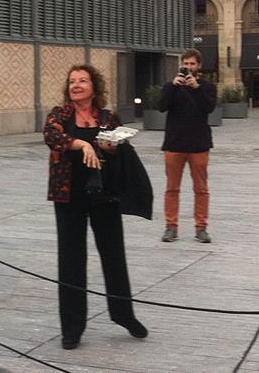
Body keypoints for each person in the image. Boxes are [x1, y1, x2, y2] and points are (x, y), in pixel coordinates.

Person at [43, 64, 150, 350]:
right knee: (71, 261)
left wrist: (112, 148)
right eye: (72, 81)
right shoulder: (60, 115)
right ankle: (72, 328)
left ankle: (123, 315)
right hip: (69, 196)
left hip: (103, 194)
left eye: (82, 80)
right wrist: (81, 144)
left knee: (114, 255)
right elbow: (51, 137)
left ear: (94, 86)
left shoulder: (107, 117)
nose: (76, 85)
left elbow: (118, 153)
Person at [157, 48, 217, 243]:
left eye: (192, 64)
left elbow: (208, 108)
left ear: (199, 66)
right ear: (181, 65)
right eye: (185, 64)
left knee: (201, 188)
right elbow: (161, 106)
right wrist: (174, 87)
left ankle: (201, 228)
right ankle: (171, 227)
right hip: (174, 144)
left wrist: (196, 88)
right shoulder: (171, 86)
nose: (188, 67)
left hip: (199, 145)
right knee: (171, 188)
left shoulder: (206, 87)